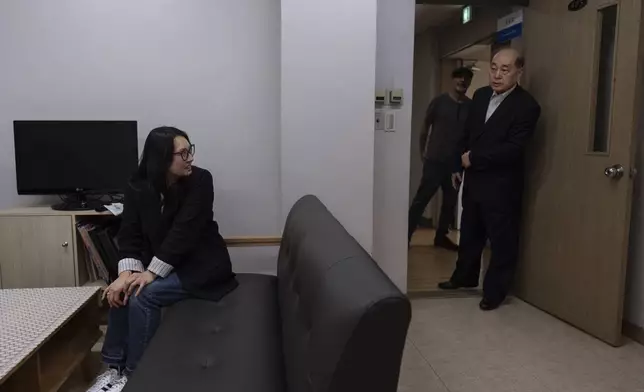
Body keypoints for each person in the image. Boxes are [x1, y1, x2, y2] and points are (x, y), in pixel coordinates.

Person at [87, 127, 237, 392]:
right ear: (162, 158)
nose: (190, 157)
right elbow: (130, 233)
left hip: (201, 265)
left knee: (143, 294)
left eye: (190, 150)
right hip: (163, 263)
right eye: (182, 153)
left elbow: (184, 233)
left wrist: (150, 274)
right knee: (123, 289)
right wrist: (124, 275)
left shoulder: (201, 181)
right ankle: (113, 370)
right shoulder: (138, 186)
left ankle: (136, 376)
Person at [438, 48, 541, 311]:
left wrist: (474, 158)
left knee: (501, 240)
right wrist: (457, 165)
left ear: (519, 71)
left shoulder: (527, 106)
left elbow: (513, 148)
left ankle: (494, 292)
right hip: (472, 180)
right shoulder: (481, 95)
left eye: (505, 70)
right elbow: (467, 133)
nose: (496, 74)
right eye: (494, 67)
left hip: (502, 185)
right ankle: (464, 276)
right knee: (470, 232)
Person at [408, 67, 473, 250]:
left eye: (466, 78)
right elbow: (424, 127)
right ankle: (405, 235)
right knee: (422, 198)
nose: (462, 81)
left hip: (455, 165)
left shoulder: (471, 106)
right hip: (435, 161)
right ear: (453, 80)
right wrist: (423, 153)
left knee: (450, 201)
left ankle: (441, 237)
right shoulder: (439, 102)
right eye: (459, 77)